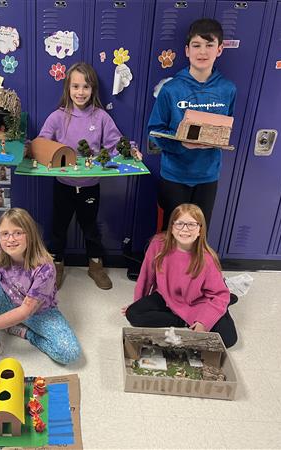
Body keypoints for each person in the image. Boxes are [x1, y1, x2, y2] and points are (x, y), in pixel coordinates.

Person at [38, 62, 131, 290]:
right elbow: (43, 141)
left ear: (93, 90)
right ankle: (56, 266)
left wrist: (130, 150)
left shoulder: (100, 117)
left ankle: (95, 266)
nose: (80, 92)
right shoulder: (58, 117)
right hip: (63, 185)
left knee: (90, 227)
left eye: (86, 87)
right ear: (68, 89)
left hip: (90, 186)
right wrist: (33, 148)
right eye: (76, 86)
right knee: (58, 228)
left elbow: (114, 144)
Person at [0, 208, 81, 375]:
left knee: (70, 353)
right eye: (5, 234)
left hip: (38, 312)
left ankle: (23, 332)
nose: (11, 239)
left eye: (18, 233)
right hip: (8, 304)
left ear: (30, 235)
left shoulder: (44, 267)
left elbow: (25, 311)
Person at [147, 18, 236, 230]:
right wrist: (181, 144)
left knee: (197, 232)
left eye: (209, 45)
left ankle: (193, 265)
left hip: (207, 176)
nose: (202, 52)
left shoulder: (228, 89)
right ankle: (168, 265)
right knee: (172, 232)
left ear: (220, 49)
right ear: (187, 51)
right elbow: (154, 133)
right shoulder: (171, 89)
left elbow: (226, 126)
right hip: (175, 176)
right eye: (196, 45)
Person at [123, 203, 237, 347]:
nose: (184, 229)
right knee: (133, 314)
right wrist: (137, 303)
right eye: (179, 224)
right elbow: (146, 277)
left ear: (200, 230)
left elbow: (219, 294)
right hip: (166, 297)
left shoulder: (207, 258)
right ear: (171, 228)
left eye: (191, 225)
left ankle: (222, 306)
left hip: (199, 301)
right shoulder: (158, 244)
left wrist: (203, 322)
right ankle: (183, 320)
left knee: (228, 338)